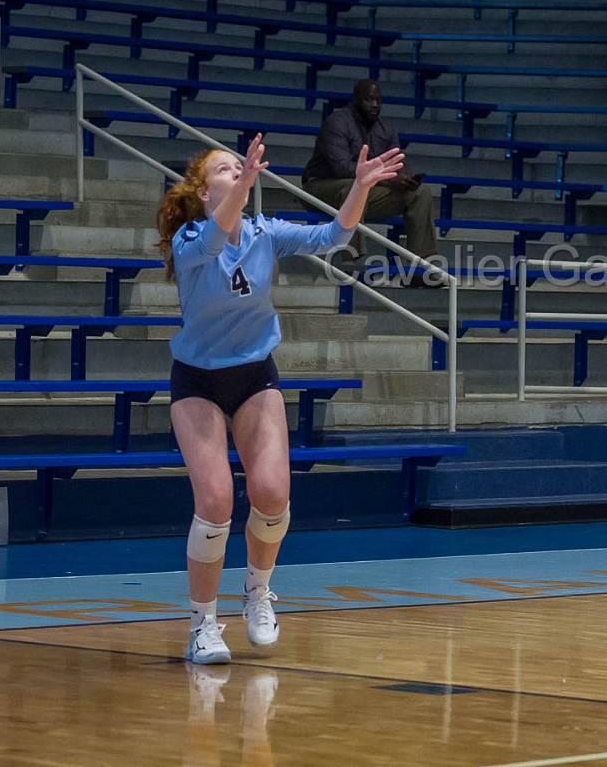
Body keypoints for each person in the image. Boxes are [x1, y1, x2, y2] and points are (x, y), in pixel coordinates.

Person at [159, 134, 404, 664]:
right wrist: (243, 185)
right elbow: (213, 241)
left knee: (271, 492)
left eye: (239, 167)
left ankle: (257, 593)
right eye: (225, 169)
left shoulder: (265, 233)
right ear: (204, 192)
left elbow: (335, 235)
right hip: (197, 380)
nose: (237, 171)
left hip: (254, 376)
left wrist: (359, 188)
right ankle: (202, 624)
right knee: (217, 502)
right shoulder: (191, 236)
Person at [302, 79, 441, 285]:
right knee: (355, 187)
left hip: (368, 188)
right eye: (368, 100)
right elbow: (342, 169)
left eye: (378, 100)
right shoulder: (337, 122)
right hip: (321, 186)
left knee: (421, 193)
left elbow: (396, 165)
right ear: (356, 100)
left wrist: (405, 179)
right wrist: (388, 179)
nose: (375, 105)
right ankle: (352, 265)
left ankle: (419, 268)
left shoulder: (387, 128)